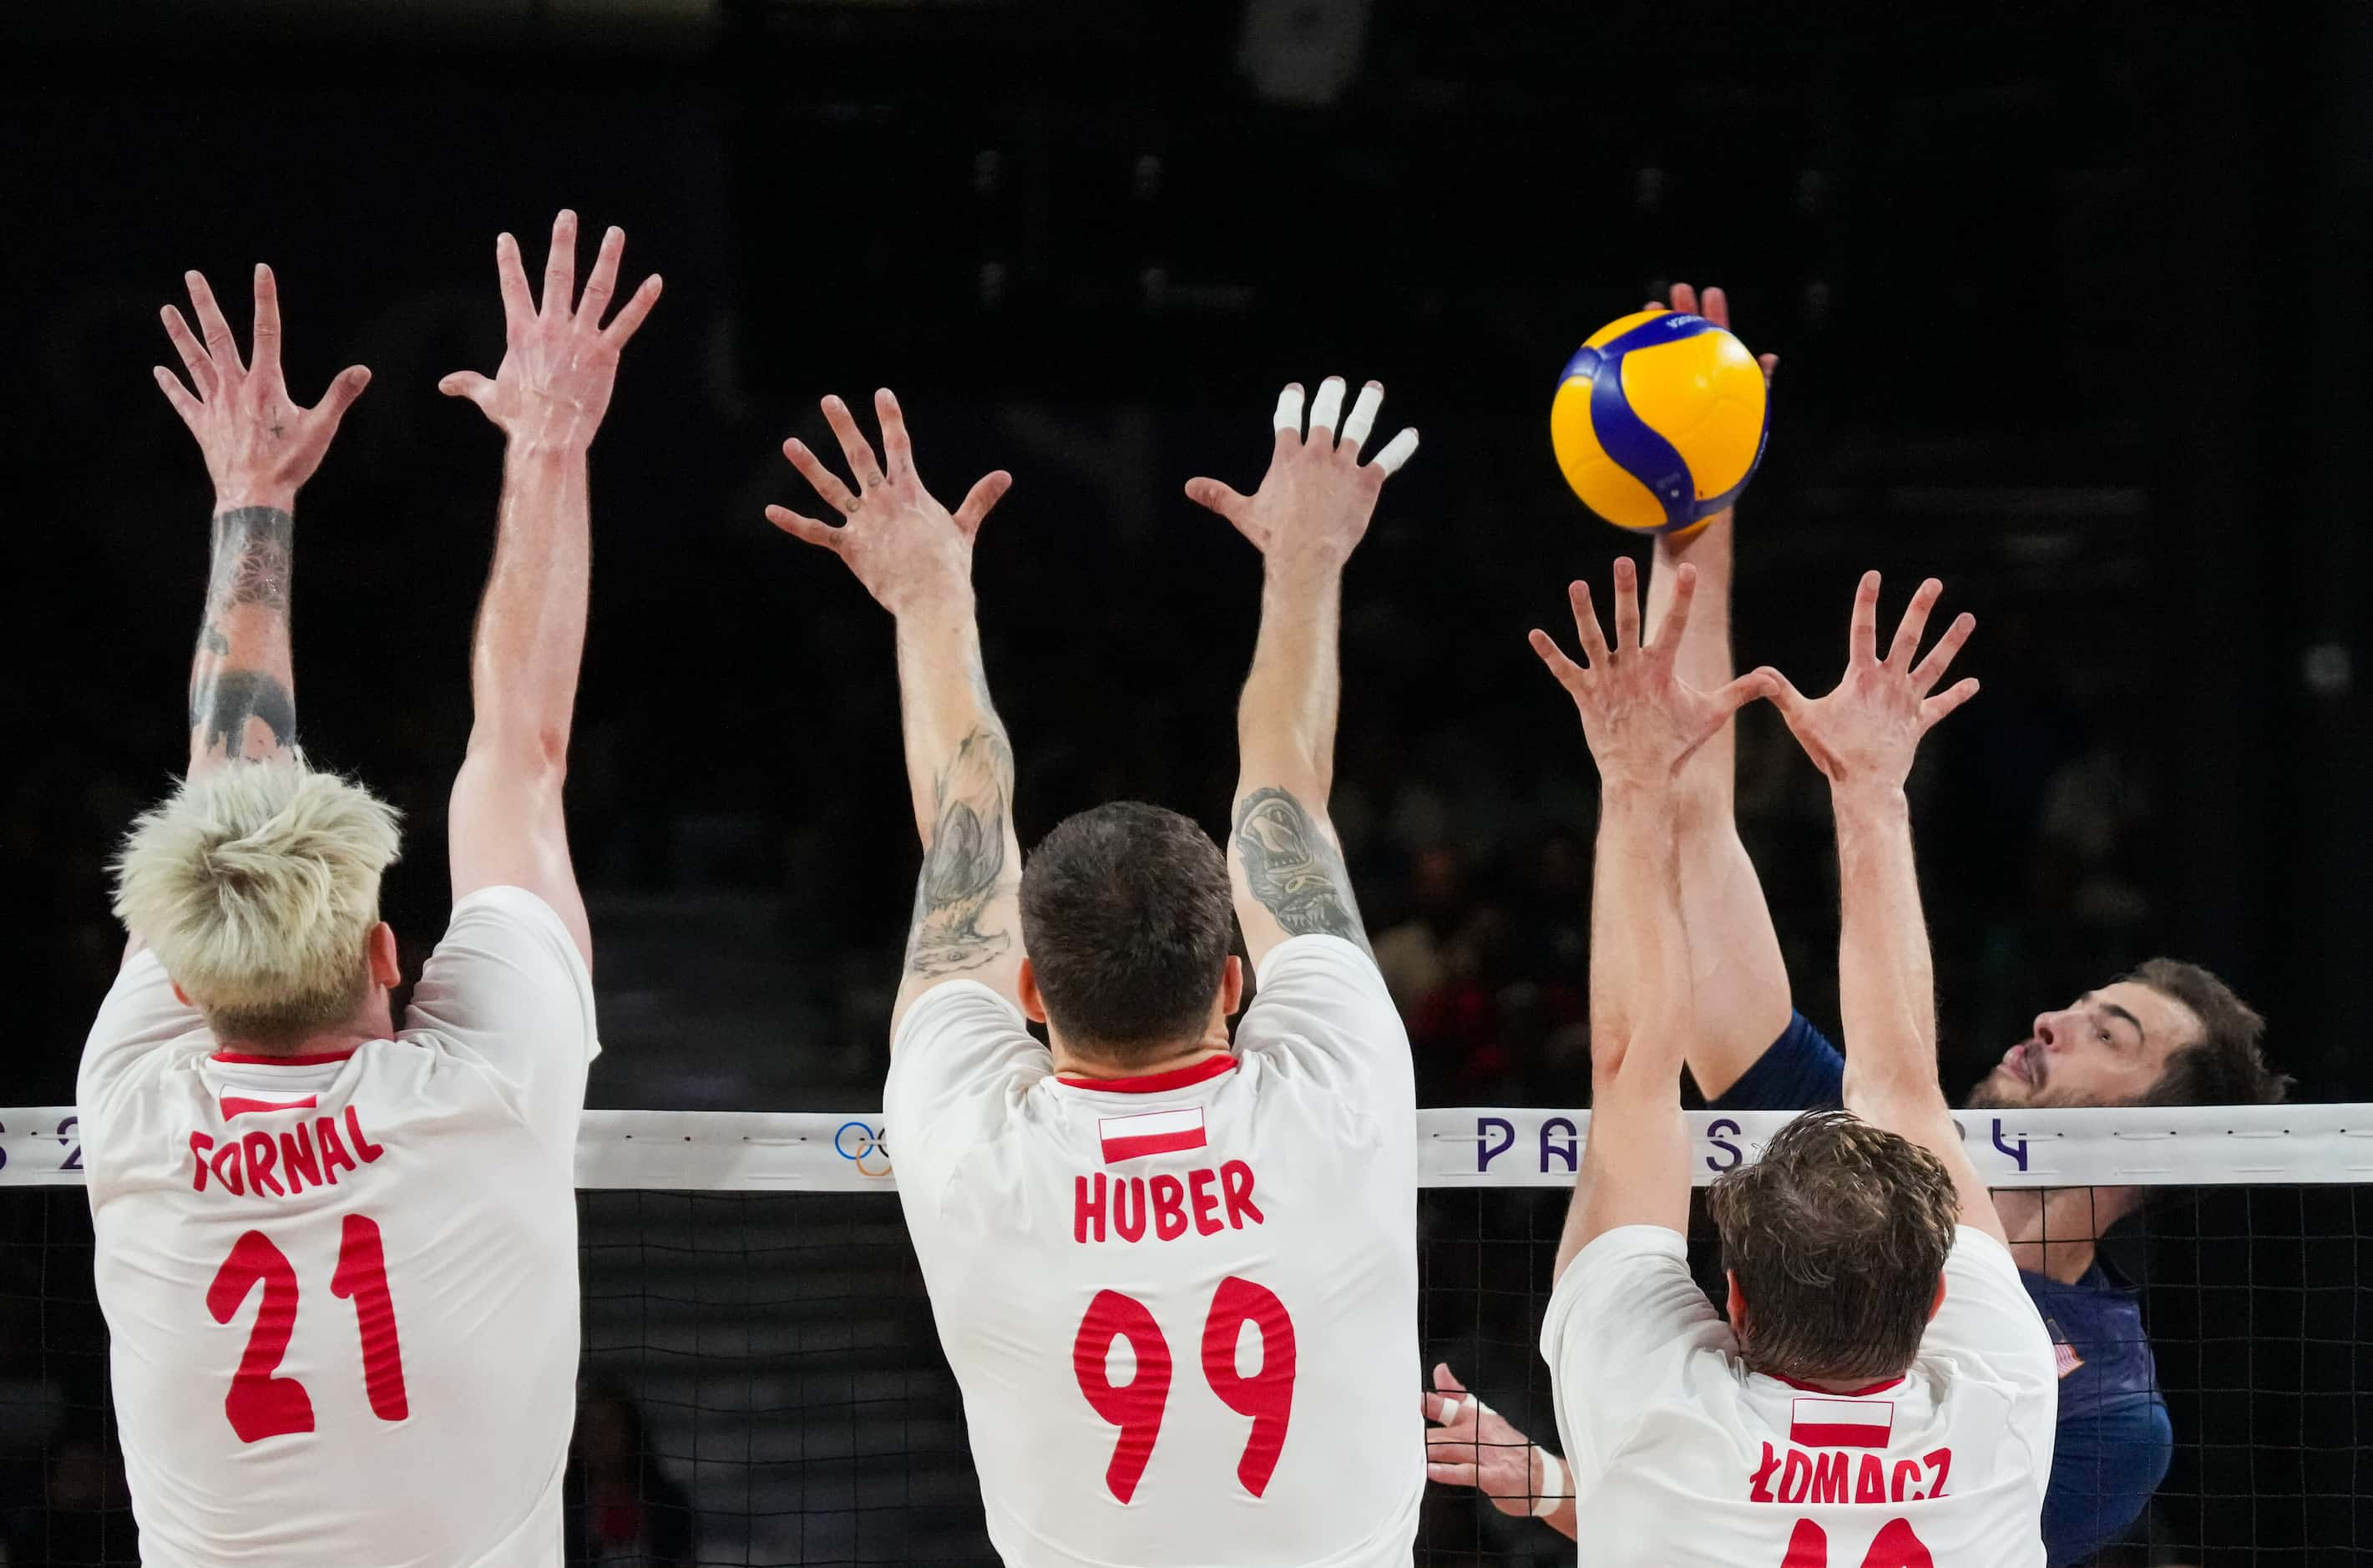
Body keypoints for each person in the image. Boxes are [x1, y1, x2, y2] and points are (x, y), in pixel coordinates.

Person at [1424, 284, 2288, 1566]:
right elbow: (1705, 860)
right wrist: (1694, 523)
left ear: (2159, 1131)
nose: (2051, 1014)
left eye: (2109, 1028)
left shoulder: (2106, 1407)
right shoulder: (1862, 1187)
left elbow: (1748, 1514)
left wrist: (1559, 1481)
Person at [79, 213, 660, 1564]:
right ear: (388, 950)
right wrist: (548, 444)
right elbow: (521, 752)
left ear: (181, 975)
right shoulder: (484, 1084)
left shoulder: (137, 1102)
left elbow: (231, 773)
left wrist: (249, 501)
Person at [767, 377, 1424, 1565]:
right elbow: (1284, 783)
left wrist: (925, 595)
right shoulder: (1345, 1092)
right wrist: (1306, 562)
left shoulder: (966, 1142)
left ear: (1031, 996)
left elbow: (965, 825)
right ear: (1233, 980)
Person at [1516, 555, 2059, 1563]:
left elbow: (1653, 1064)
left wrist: (1642, 782)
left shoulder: (1651, 1412)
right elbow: (1891, 1085)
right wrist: (1870, 789)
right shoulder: (2005, 1402)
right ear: (1934, 1299)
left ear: (1733, 1299)